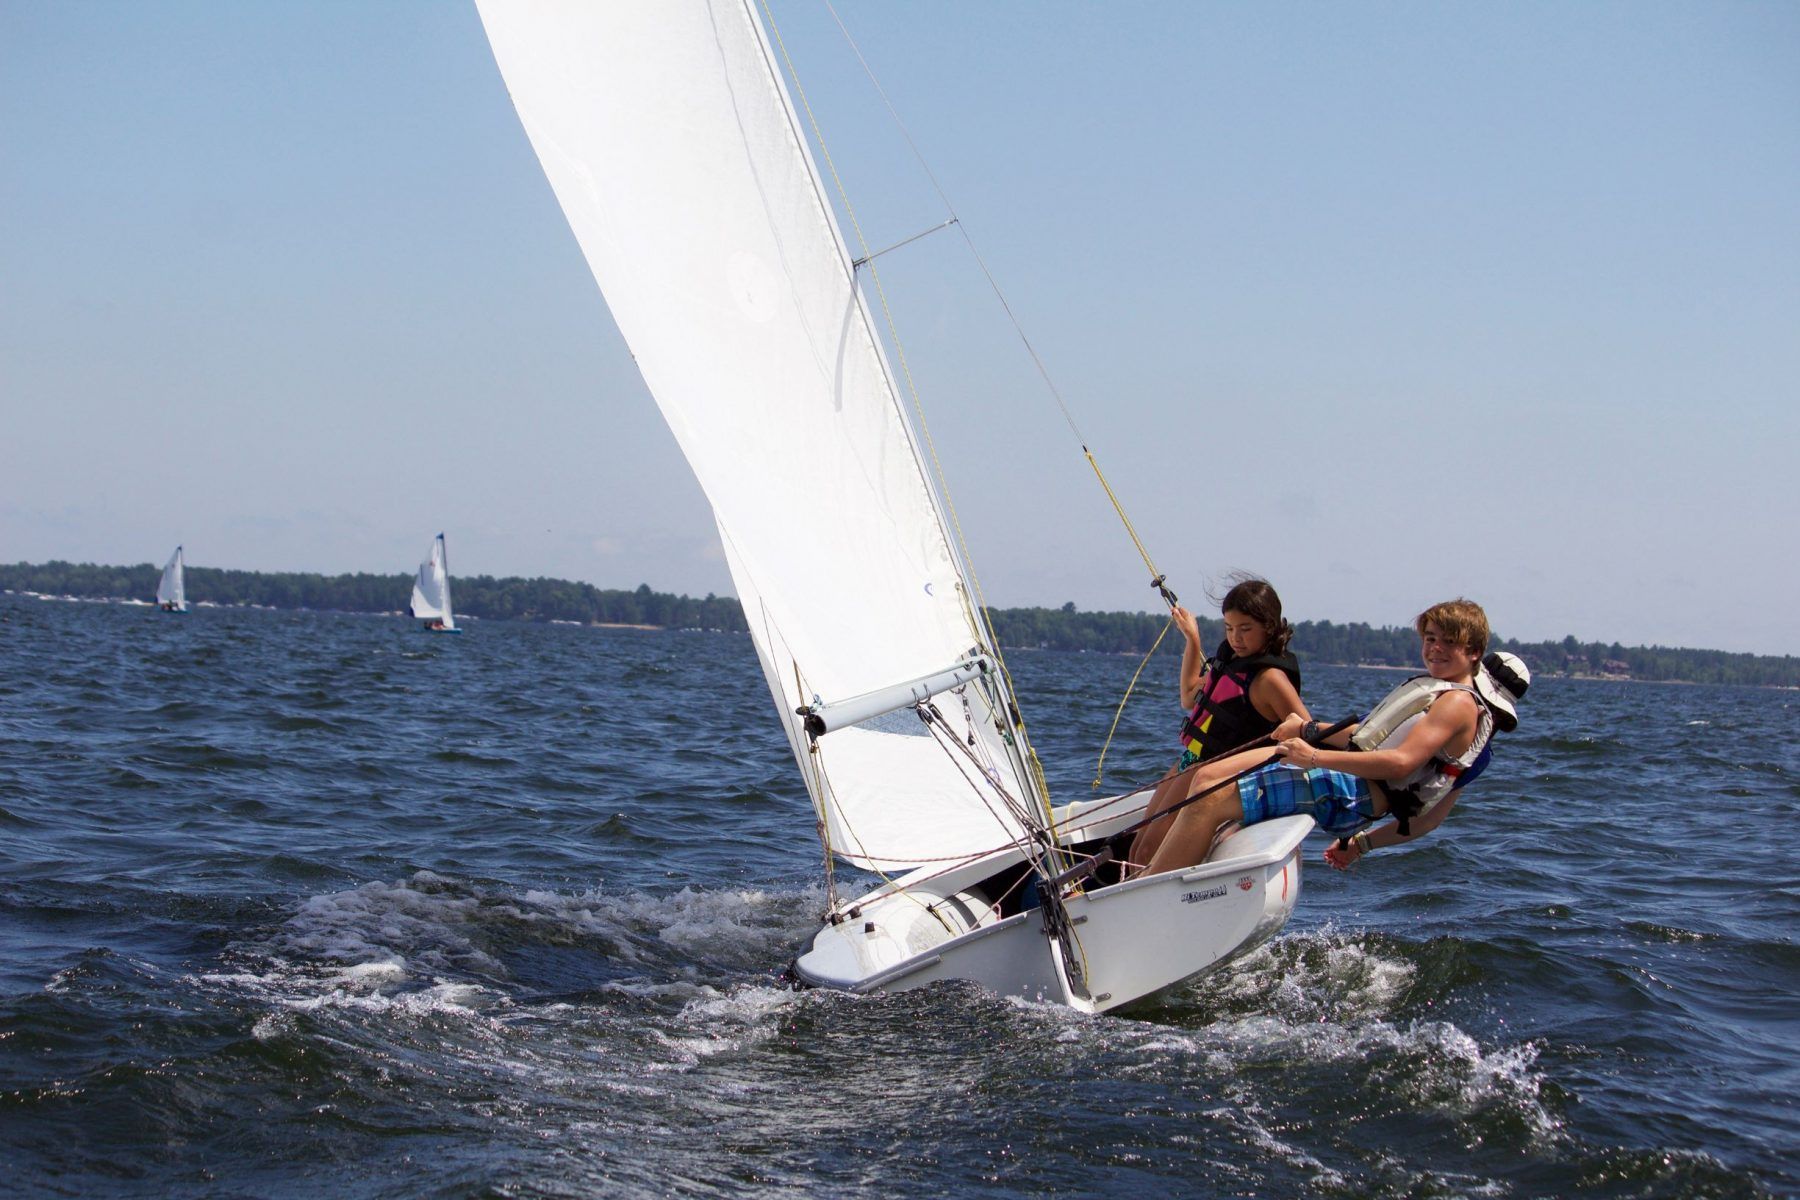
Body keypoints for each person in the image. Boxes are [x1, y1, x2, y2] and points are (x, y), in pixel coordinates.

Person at [1133, 598, 1529, 878]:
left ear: (1474, 653)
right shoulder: (1443, 697)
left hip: (1350, 793)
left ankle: (1141, 895)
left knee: (1213, 795)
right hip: (1349, 785)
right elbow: (1373, 746)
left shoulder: (1457, 704)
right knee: (1205, 778)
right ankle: (1159, 877)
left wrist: (1314, 757)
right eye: (1430, 638)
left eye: (1448, 642)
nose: (1435, 648)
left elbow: (1401, 763)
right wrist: (1308, 730)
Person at [1126, 577, 1310, 870]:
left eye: (1245, 629)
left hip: (1215, 773)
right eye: (1229, 628)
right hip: (1191, 760)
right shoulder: (1231, 664)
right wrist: (1193, 639)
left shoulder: (1271, 680)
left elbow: (1305, 730)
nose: (1235, 638)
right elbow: (1188, 697)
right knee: (1139, 846)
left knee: (1149, 851)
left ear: (1270, 627)